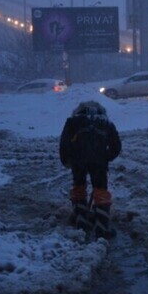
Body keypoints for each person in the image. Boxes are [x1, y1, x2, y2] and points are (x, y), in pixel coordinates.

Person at [60, 101, 121, 239]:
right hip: (99, 161)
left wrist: (66, 160)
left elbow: (64, 143)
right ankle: (102, 227)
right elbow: (116, 146)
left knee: (79, 187)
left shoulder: (72, 122)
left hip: (78, 159)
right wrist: (106, 157)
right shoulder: (106, 123)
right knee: (100, 190)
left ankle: (81, 220)